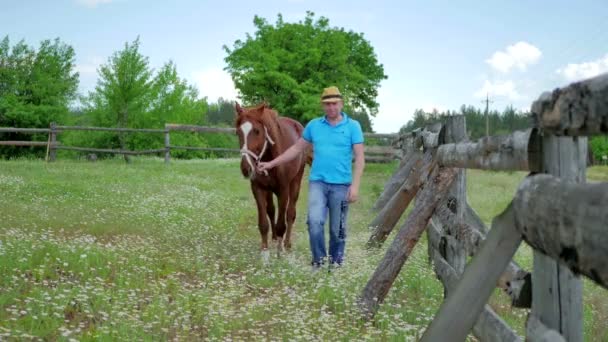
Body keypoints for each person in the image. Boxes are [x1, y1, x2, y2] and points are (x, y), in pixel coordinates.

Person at [257, 86, 365, 270]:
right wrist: (271, 163)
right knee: (314, 223)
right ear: (323, 106)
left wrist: (355, 186)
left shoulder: (353, 127)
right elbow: (295, 149)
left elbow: (360, 158)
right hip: (318, 184)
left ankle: (336, 264)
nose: (331, 107)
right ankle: (319, 262)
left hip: (341, 185)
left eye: (334, 103)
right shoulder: (314, 126)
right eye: (327, 104)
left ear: (341, 104)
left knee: (336, 230)